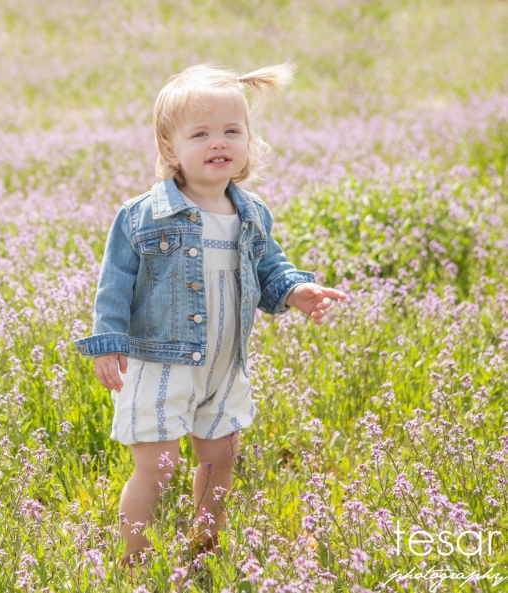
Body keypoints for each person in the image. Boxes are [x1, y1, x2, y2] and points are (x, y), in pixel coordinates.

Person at [72, 61, 348, 569]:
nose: (218, 141)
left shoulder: (251, 213)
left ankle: (202, 549)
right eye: (200, 133)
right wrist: (108, 339)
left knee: (220, 459)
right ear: (170, 149)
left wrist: (296, 290)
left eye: (231, 131)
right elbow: (114, 283)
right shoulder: (143, 215)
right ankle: (130, 563)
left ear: (248, 141)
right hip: (161, 364)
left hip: (225, 367)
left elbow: (271, 267)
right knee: (157, 465)